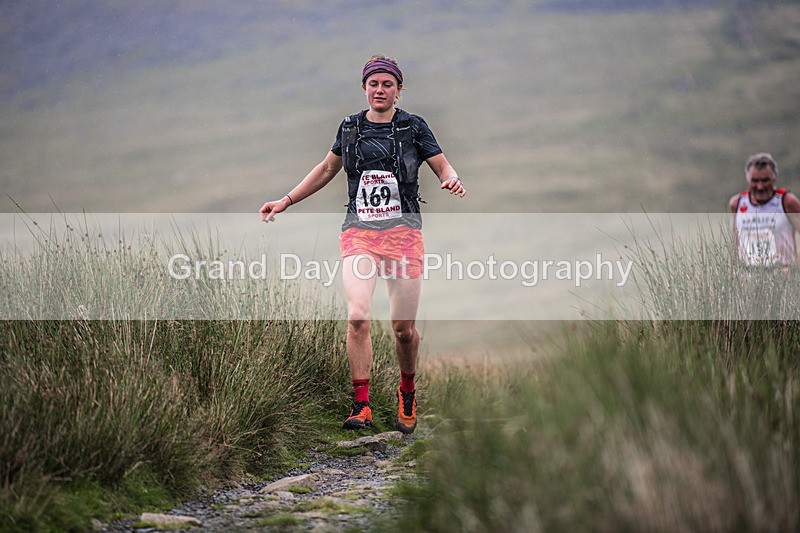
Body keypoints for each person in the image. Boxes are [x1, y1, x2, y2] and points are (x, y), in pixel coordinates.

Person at [259, 54, 465, 434]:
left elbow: (441, 164)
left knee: (403, 328)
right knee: (357, 316)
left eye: (388, 84)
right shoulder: (350, 128)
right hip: (359, 234)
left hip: (403, 235)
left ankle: (407, 392)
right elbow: (325, 169)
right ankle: (362, 404)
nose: (380, 90)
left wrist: (450, 178)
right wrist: (285, 201)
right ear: (364, 88)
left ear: (399, 90)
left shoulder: (413, 127)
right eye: (374, 84)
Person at [729, 152, 800, 267]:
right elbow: (736, 244)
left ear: (774, 178)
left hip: (783, 275)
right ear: (747, 179)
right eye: (755, 181)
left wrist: (795, 268)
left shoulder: (787, 201)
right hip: (748, 277)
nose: (760, 186)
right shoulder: (736, 203)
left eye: (765, 180)